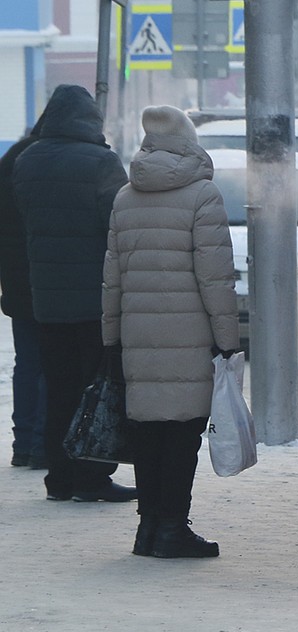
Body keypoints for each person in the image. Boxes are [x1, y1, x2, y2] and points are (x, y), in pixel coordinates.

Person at [102, 105, 239, 558]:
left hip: (137, 340)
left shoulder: (124, 197)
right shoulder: (203, 195)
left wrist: (111, 340)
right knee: (182, 435)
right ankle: (172, 530)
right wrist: (228, 341)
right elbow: (215, 279)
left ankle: (147, 531)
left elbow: (113, 280)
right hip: (190, 340)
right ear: (189, 142)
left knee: (146, 433)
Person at [11, 84, 135, 503]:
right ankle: (93, 477)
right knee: (97, 390)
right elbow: (119, 224)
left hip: (46, 301)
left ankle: (59, 479)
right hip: (94, 302)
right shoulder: (101, 162)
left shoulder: (27, 161)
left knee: (59, 389)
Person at [0, 120, 49, 469]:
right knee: (55, 364)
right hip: (56, 281)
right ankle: (41, 445)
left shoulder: (12, 159)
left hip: (17, 281)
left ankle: (23, 443)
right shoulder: (54, 160)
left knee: (27, 362)